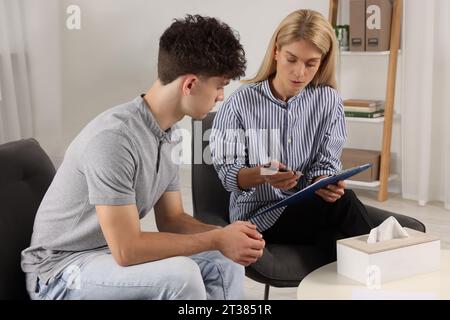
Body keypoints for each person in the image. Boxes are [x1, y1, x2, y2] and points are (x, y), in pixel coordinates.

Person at [21, 15, 265, 300]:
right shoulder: (115, 139)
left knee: (224, 260)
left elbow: (172, 220)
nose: (222, 96)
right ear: (190, 85)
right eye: (220, 85)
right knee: (181, 277)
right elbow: (128, 250)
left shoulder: (170, 133)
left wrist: (227, 236)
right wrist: (215, 238)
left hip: (106, 255)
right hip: (61, 272)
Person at [210, 9, 374, 260]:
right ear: (276, 51)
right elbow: (228, 177)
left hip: (311, 208)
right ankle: (389, 266)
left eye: (311, 63)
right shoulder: (240, 104)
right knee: (346, 205)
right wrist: (265, 174)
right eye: (291, 59)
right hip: (259, 217)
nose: (299, 73)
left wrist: (324, 182)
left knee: (336, 242)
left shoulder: (328, 101)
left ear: (323, 60)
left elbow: (326, 162)